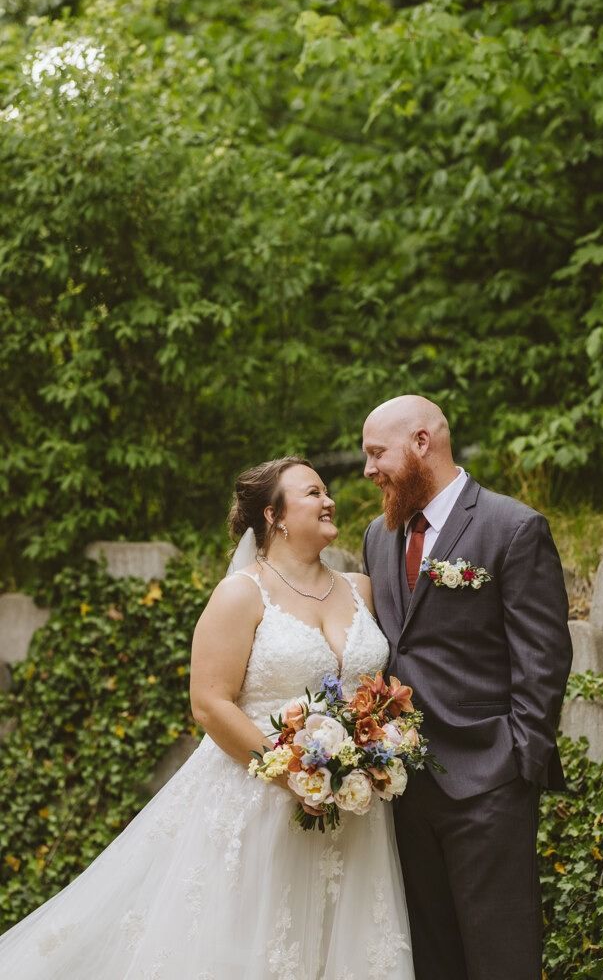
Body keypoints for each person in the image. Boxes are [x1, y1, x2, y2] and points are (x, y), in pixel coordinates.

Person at [0, 457, 415, 980]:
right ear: (275, 515)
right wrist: (294, 774)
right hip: (264, 799)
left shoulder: (362, 587)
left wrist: (378, 742)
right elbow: (210, 702)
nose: (329, 500)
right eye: (313, 492)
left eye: (325, 491)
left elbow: (376, 687)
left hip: (355, 810)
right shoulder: (242, 592)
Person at [362, 395, 573, 980]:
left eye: (377, 453)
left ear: (422, 442)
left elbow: (544, 658)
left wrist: (517, 762)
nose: (368, 469)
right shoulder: (378, 536)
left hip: (489, 784)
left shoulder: (512, 527)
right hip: (404, 790)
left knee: (501, 959)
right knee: (432, 961)